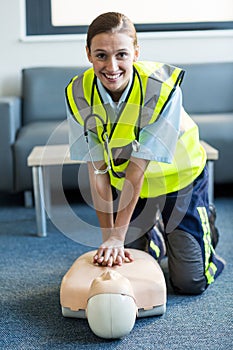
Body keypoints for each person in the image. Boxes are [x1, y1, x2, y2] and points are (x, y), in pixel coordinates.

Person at [65, 12, 225, 295]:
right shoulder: (78, 92)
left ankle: (204, 230)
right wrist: (109, 239)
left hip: (179, 180)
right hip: (125, 185)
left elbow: (137, 170)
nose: (111, 66)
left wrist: (118, 234)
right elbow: (97, 168)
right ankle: (157, 237)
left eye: (121, 54)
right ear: (88, 53)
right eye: (101, 55)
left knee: (189, 283)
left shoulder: (161, 89)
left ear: (136, 53)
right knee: (125, 262)